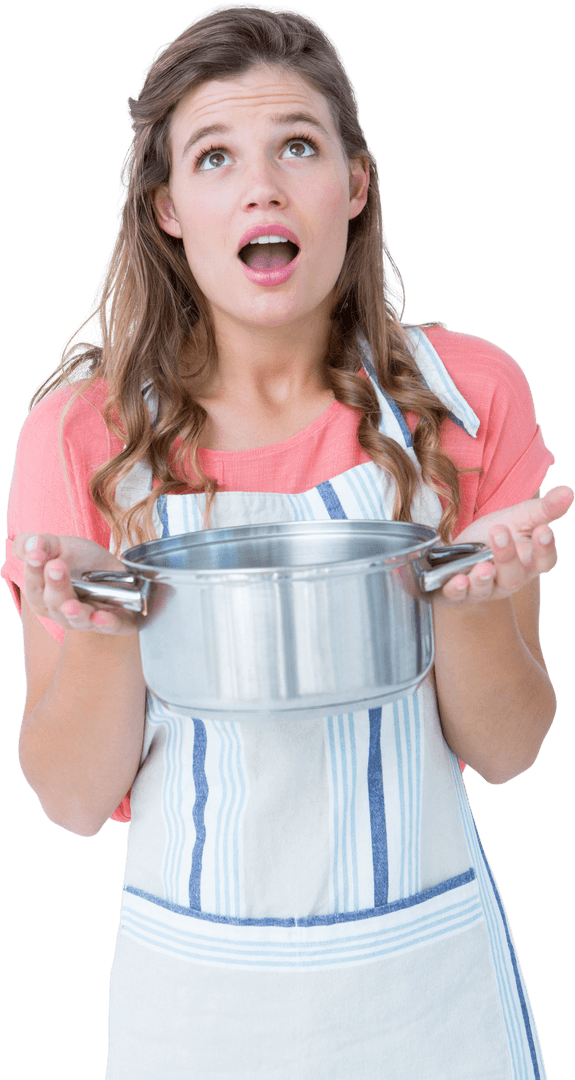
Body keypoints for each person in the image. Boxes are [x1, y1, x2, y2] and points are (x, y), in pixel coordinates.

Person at [3, 4, 572, 1077]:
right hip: (198, 1006)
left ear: (352, 185)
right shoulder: (79, 439)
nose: (261, 186)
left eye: (296, 148)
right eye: (215, 157)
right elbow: (73, 803)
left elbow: (508, 747)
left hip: (428, 996)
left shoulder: (464, 399)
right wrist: (108, 616)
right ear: (169, 209)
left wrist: (470, 598)